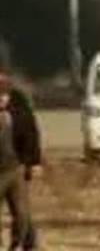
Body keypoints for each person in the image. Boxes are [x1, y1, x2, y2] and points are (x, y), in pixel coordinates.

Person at [0, 74, 41, 250]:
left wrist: (33, 162)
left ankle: (20, 244)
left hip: (15, 168)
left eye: (4, 95)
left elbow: (31, 134)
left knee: (22, 213)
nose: (1, 99)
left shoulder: (19, 109)